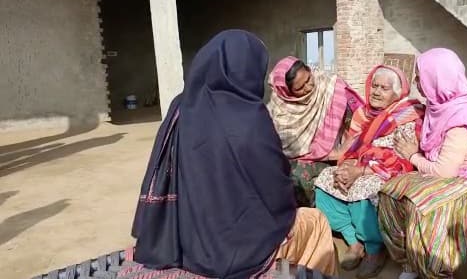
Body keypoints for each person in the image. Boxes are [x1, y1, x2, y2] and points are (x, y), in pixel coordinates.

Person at [131, 30, 337, 279]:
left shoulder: (180, 107)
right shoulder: (249, 116)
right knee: (315, 222)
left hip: (181, 236)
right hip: (239, 249)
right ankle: (286, 273)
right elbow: (275, 187)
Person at [379, 48, 467, 279]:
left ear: (437, 79)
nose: (417, 81)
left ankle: (436, 269)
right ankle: (411, 259)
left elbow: (444, 171)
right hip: (440, 173)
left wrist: (412, 156)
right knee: (390, 194)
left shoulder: (461, 115)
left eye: (421, 76)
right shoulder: (437, 106)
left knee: (425, 206)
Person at [313, 65, 424, 278]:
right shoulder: (363, 114)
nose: (376, 92)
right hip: (362, 166)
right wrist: (347, 167)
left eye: (384, 88)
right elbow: (351, 148)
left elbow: (403, 160)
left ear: (397, 93)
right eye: (374, 85)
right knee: (325, 179)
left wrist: (361, 170)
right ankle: (353, 241)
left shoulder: (408, 115)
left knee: (363, 187)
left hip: (389, 173)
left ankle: (374, 249)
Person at [267, 57, 364, 206]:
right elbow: (278, 147)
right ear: (287, 92)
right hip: (299, 162)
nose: (309, 87)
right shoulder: (278, 109)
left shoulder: (331, 88)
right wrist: (332, 152)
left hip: (340, 157)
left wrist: (344, 152)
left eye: (308, 79)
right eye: (300, 88)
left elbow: (360, 120)